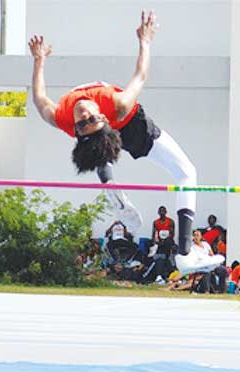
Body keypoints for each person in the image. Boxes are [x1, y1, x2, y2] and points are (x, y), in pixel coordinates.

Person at [28, 13, 212, 274]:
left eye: (85, 121)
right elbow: (140, 75)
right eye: (86, 120)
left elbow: (39, 98)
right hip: (121, 129)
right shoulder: (110, 109)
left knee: (103, 149)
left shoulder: (67, 117)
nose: (83, 115)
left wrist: (39, 61)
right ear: (98, 120)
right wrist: (145, 42)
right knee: (185, 171)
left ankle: (111, 184)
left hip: (119, 130)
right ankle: (183, 251)